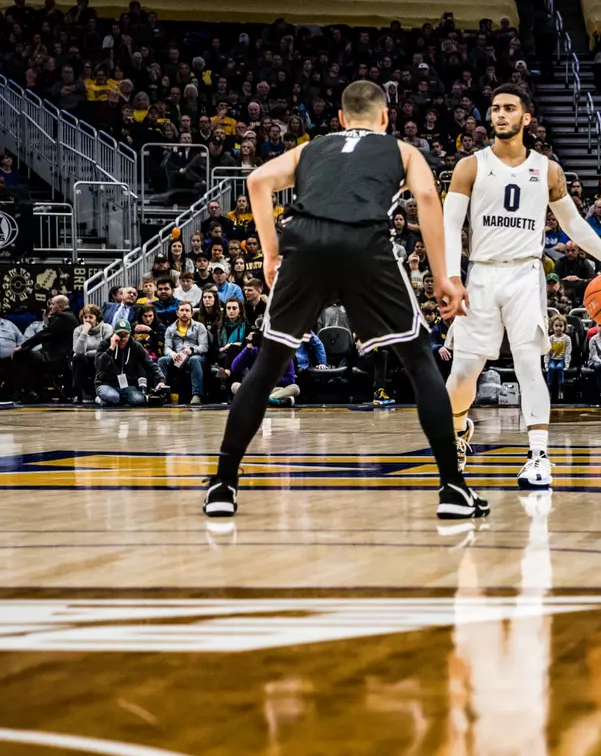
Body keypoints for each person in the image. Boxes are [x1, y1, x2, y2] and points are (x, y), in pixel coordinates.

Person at [204, 79, 485, 521]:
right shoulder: (402, 150)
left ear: (339, 119)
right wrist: (442, 278)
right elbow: (429, 197)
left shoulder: (312, 147)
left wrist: (271, 253)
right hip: (365, 243)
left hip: (304, 242)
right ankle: (453, 488)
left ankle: (222, 485)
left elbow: (257, 180)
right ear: (385, 117)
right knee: (418, 359)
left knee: (268, 364)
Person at [442, 85, 601, 479]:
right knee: (463, 374)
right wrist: (451, 277)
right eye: (495, 108)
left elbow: (572, 224)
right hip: (480, 273)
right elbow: (449, 225)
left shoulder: (547, 169)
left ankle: (538, 456)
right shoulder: (470, 166)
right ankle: (458, 429)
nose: (500, 114)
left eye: (509, 108)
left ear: (526, 118)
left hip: (526, 274)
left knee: (531, 364)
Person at [13, 294, 80, 402]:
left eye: (53, 304)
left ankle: (29, 392)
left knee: (20, 354)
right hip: (58, 355)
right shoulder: (69, 316)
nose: (51, 307)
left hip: (57, 358)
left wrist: (22, 346)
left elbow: (43, 335)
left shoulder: (64, 317)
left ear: (61, 306)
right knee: (31, 357)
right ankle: (37, 391)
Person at [94, 321, 163, 406]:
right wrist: (111, 348)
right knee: (113, 398)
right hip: (106, 383)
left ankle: (114, 400)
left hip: (126, 385)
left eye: (125, 335)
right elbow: (99, 365)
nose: (122, 338)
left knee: (139, 400)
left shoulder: (136, 346)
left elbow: (150, 364)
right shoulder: (105, 344)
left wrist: (161, 380)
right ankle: (101, 399)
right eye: (120, 335)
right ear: (114, 333)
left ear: (130, 334)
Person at [160, 301, 208, 404]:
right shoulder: (170, 329)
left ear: (192, 313)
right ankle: (161, 391)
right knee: (162, 360)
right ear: (177, 313)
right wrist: (172, 353)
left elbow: (204, 347)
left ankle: (197, 395)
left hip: (194, 356)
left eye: (187, 310)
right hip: (177, 356)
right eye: (182, 310)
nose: (184, 313)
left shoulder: (199, 327)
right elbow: (166, 348)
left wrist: (192, 350)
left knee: (195, 360)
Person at [71, 304, 109, 401]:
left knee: (102, 358)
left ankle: (96, 393)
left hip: (101, 360)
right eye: (85, 317)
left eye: (91, 317)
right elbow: (78, 351)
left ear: (97, 318)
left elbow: (106, 349)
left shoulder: (106, 328)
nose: (87, 320)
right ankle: (77, 394)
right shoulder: (78, 330)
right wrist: (84, 332)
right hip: (85, 362)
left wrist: (88, 353)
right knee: (78, 359)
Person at [545, 313, 573, 401]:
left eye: (561, 326)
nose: (558, 328)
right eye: (556, 325)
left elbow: (568, 352)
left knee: (559, 368)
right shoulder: (550, 339)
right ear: (552, 327)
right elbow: (547, 352)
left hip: (561, 360)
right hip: (552, 359)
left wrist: (567, 363)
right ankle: (549, 389)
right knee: (551, 368)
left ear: (564, 327)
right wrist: (546, 363)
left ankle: (561, 388)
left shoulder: (567, 339)